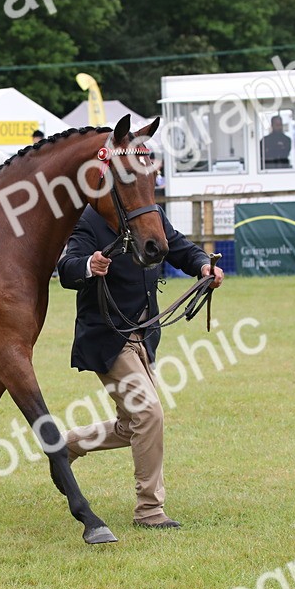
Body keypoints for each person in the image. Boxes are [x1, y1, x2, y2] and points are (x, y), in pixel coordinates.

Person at [55, 205, 224, 530]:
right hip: (107, 337)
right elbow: (66, 268)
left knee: (132, 426)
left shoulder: (150, 213)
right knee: (149, 414)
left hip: (145, 335)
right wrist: (89, 265)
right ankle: (149, 510)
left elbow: (179, 247)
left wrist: (203, 264)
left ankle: (67, 445)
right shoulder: (90, 220)